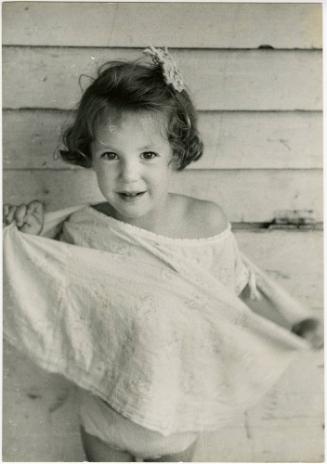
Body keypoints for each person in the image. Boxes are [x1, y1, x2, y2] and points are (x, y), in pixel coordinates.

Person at [3, 47, 323, 462]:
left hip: (176, 421)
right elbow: (49, 296)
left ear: (175, 152)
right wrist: (27, 239)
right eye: (111, 155)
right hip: (104, 416)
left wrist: (294, 326)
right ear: (90, 156)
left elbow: (240, 299)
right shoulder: (83, 228)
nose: (128, 174)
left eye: (148, 155)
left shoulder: (205, 225)